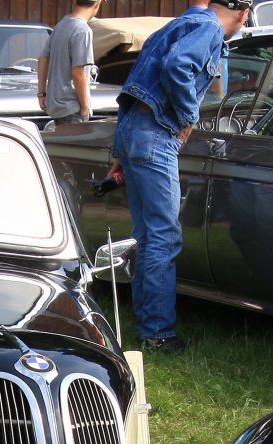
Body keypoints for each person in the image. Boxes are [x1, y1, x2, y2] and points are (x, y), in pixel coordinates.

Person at [111, 0, 252, 351]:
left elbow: (135, 85)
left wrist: (119, 151)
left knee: (146, 234)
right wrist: (189, 117)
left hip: (134, 129)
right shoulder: (209, 28)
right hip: (156, 134)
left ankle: (148, 326)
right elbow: (177, 66)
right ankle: (158, 333)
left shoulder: (180, 24)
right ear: (243, 13)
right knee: (163, 235)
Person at [40, 0, 104, 126]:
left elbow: (42, 59)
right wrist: (85, 106)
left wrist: (41, 93)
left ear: (75, 2)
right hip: (72, 107)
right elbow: (78, 72)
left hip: (56, 105)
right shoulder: (83, 30)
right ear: (97, 3)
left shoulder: (61, 25)